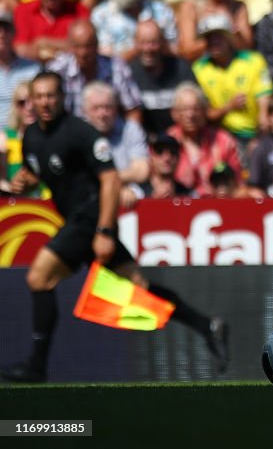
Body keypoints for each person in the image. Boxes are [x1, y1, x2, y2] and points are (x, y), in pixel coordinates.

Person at [0, 71, 228, 383]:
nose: (45, 102)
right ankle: (207, 326)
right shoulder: (32, 137)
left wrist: (104, 231)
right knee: (139, 286)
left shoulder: (80, 132)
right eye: (39, 97)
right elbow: (42, 172)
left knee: (39, 276)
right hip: (77, 221)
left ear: (63, 97)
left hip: (91, 219)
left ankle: (36, 365)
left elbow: (110, 180)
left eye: (51, 95)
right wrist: (24, 182)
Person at [191, 13, 272, 149]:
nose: (214, 42)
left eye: (219, 36)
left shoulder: (253, 61)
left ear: (229, 37)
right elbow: (205, 113)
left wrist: (261, 133)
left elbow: (264, 96)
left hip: (254, 133)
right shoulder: (199, 69)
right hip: (218, 135)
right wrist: (229, 107)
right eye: (209, 38)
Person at [46, 18, 143, 122]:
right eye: (77, 46)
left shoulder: (116, 67)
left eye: (88, 46)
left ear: (97, 45)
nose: (83, 53)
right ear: (69, 46)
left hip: (110, 132)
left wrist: (131, 135)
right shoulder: (57, 71)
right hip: (71, 133)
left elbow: (133, 110)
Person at [165, 83, 243, 197]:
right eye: (184, 110)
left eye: (195, 109)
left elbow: (238, 182)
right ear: (174, 113)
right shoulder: (166, 142)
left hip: (218, 205)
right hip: (178, 205)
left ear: (204, 111)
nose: (190, 115)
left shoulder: (223, 140)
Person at [129, 20, 195, 135]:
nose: (148, 49)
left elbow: (196, 107)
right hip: (144, 141)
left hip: (181, 137)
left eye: (153, 42)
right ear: (135, 43)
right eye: (143, 42)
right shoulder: (129, 73)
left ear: (163, 42)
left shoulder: (180, 68)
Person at [13, 0, 87, 63]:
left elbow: (84, 47)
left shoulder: (78, 11)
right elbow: (20, 49)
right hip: (32, 71)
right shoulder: (23, 10)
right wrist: (62, 48)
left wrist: (44, 42)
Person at [0, 11, 40, 125]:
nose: (2, 34)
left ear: (14, 32)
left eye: (6, 29)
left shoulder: (33, 69)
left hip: (24, 134)